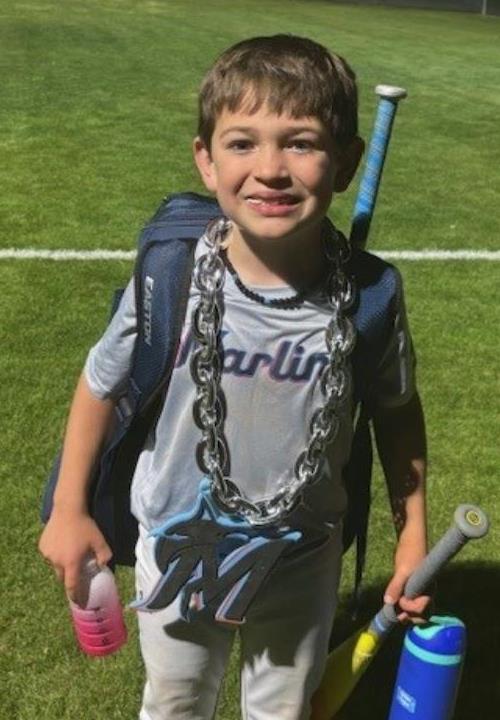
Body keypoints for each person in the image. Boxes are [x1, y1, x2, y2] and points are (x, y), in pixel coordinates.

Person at [39, 34, 429, 720]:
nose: (270, 169)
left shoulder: (370, 298)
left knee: (283, 710)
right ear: (206, 159)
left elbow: (398, 414)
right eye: (242, 143)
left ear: (346, 163)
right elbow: (101, 383)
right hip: (180, 544)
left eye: (301, 143)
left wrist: (412, 536)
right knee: (176, 702)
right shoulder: (171, 274)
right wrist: (69, 508)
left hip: (302, 556)